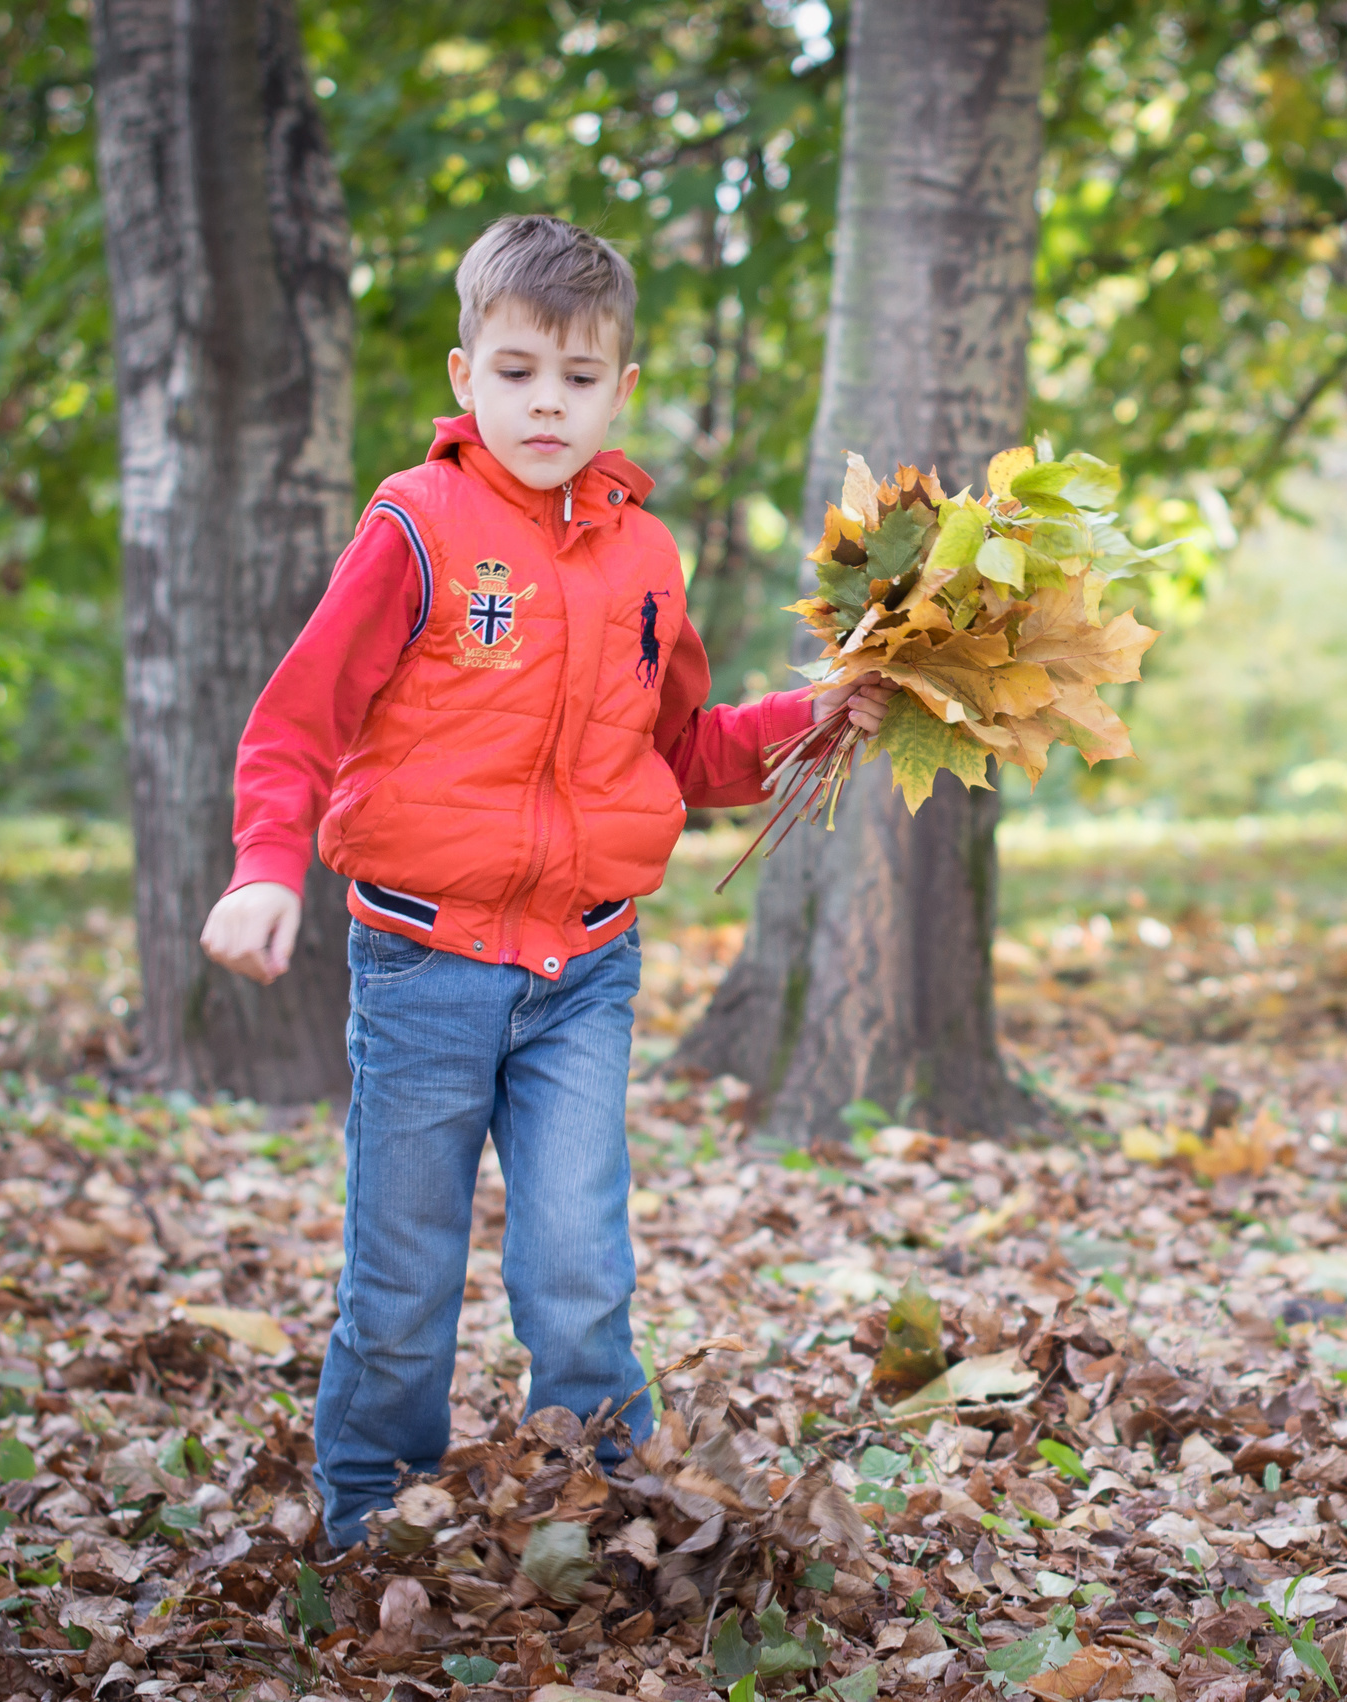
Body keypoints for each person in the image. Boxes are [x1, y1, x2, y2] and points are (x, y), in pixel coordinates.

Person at [198, 214, 888, 1550]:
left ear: (621, 389)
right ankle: (366, 1513)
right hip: (422, 966)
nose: (545, 404)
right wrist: (266, 863)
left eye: (577, 378)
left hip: (586, 972)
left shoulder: (646, 557)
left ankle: (604, 1496)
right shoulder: (418, 525)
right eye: (516, 372)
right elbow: (297, 720)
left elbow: (683, 748)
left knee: (578, 1263)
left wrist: (810, 714)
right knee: (401, 1273)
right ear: (465, 377)